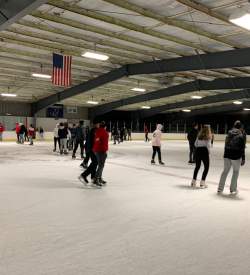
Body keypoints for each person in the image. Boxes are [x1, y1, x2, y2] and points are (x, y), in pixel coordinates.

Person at [217, 121, 246, 195]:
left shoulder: (229, 134)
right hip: (236, 156)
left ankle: (220, 188)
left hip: (227, 155)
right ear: (241, 127)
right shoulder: (241, 135)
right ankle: (233, 189)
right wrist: (243, 158)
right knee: (235, 172)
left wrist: (225, 154)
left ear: (234, 126)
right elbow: (242, 148)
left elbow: (225, 145)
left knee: (225, 171)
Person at [93, 121, 109, 186]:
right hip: (101, 151)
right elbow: (104, 143)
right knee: (101, 165)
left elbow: (97, 140)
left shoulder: (97, 131)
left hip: (96, 150)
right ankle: (96, 179)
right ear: (105, 127)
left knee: (100, 165)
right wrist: (104, 150)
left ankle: (99, 178)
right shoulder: (105, 132)